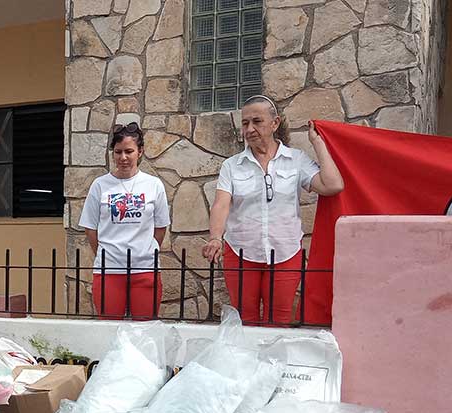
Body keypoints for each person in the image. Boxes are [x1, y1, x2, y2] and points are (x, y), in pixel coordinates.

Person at [202, 96, 344, 325]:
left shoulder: (296, 160)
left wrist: (318, 143)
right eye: (245, 123)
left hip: (285, 252)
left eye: (257, 121)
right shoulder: (231, 165)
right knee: (244, 319)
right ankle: (247, 361)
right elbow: (221, 203)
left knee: (278, 319)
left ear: (275, 123)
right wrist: (215, 238)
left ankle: (273, 362)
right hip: (240, 252)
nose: (249, 129)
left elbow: (333, 185)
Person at [79, 123, 170, 319]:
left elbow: (161, 227)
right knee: (109, 329)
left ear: (140, 152)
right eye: (118, 152)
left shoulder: (154, 185)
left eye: (129, 151)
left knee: (144, 330)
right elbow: (90, 228)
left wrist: (147, 248)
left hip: (145, 267)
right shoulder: (100, 185)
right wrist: (106, 252)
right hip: (109, 269)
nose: (123, 157)